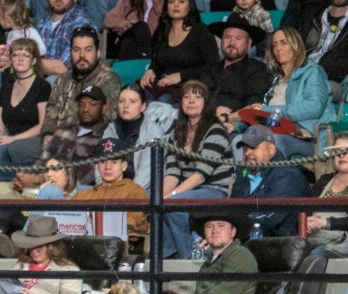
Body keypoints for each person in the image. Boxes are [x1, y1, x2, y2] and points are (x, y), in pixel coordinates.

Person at [136, 209, 258, 294]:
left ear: (232, 232)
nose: (215, 231)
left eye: (221, 226)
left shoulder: (240, 255)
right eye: (209, 226)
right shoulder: (211, 260)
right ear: (204, 232)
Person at [162, 80, 233, 259]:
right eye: (186, 97)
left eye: (197, 97)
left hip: (213, 189)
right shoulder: (175, 132)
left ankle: (188, 259)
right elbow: (172, 172)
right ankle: (167, 258)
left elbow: (201, 175)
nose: (191, 101)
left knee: (173, 205)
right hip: (188, 190)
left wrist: (173, 196)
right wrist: (161, 197)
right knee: (155, 204)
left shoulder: (215, 130)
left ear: (206, 103)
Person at [255, 27, 335, 159]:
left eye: (283, 43)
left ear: (295, 45)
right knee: (240, 138)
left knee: (273, 141)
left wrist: (268, 110)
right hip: (275, 130)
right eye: (274, 45)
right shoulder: (275, 79)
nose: (278, 48)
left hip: (307, 137)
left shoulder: (311, 72)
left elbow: (314, 107)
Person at [40, 26, 122, 140]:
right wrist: (47, 134)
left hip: (88, 141)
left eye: (88, 49)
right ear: (70, 53)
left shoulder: (109, 80)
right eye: (76, 50)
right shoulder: (63, 79)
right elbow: (51, 113)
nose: (82, 55)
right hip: (56, 139)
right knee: (17, 149)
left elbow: (107, 122)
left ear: (98, 52)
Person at [0, 38, 50, 182]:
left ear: (33, 61)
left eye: (26, 55)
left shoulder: (42, 86)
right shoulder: (7, 87)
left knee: (13, 148)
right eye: (15, 55)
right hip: (10, 138)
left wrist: (12, 139)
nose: (20, 59)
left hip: (33, 139)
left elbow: (43, 125)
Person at [231, 125, 311, 238]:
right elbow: (232, 207)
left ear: (271, 150)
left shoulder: (288, 175)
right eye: (245, 149)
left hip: (279, 242)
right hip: (246, 237)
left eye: (253, 148)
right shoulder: (243, 173)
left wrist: (232, 231)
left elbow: (271, 217)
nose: (247, 153)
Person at [73, 138, 150, 252]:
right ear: (97, 166)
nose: (107, 167)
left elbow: (136, 224)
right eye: (103, 161)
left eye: (114, 162)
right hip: (81, 248)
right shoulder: (83, 195)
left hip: (115, 250)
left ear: (123, 166)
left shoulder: (134, 191)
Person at [140, 0, 220, 103]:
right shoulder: (162, 29)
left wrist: (181, 75)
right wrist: (152, 70)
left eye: (181, 2)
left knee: (164, 100)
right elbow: (158, 62)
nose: (176, 5)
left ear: (190, 6)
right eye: (171, 2)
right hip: (163, 84)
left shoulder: (201, 32)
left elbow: (213, 66)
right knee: (136, 92)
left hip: (189, 86)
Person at [102, 83, 176, 191]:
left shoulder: (153, 131)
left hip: (142, 193)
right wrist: (103, 190)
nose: (126, 106)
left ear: (143, 107)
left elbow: (146, 176)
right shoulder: (111, 129)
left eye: (132, 101)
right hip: (110, 190)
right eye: (121, 101)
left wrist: (122, 195)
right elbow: (100, 164)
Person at [207, 14, 271, 133]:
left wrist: (227, 117)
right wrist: (212, 111)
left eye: (238, 38)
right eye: (227, 37)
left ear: (249, 43)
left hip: (236, 126)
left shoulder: (257, 69)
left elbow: (254, 107)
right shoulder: (210, 68)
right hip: (203, 121)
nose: (231, 42)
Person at [43, 84, 110, 186]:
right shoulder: (64, 129)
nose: (86, 109)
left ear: (104, 108)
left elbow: (93, 174)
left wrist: (66, 185)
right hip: (47, 183)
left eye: (93, 104)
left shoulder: (106, 136)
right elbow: (45, 157)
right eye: (81, 104)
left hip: (79, 192)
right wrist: (35, 177)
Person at [305, 133, 348, 255]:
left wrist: (327, 223)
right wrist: (306, 221)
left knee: (316, 255)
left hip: (340, 244)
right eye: (337, 151)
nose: (341, 155)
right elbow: (304, 207)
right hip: (314, 238)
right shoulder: (325, 180)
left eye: (347, 151)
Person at [35, 0, 92, 78]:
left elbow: (63, 68)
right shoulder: (42, 22)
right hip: (40, 80)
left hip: (66, 84)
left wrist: (27, 61)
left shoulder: (81, 23)